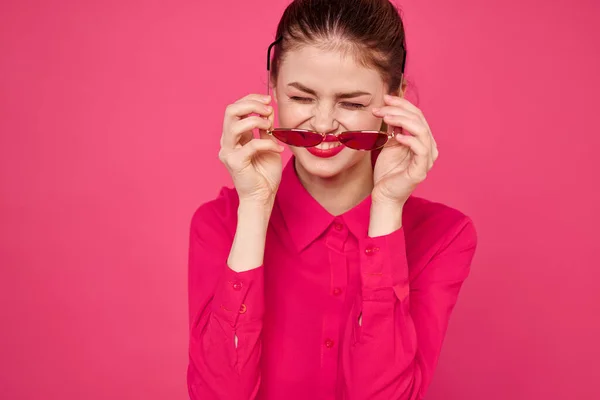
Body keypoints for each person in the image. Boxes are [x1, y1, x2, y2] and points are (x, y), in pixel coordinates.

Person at [187, 0, 478, 399]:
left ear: (395, 99)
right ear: (272, 87)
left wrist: (387, 208)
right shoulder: (218, 224)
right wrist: (253, 208)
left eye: (352, 103)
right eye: (302, 98)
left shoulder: (444, 236)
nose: (323, 124)